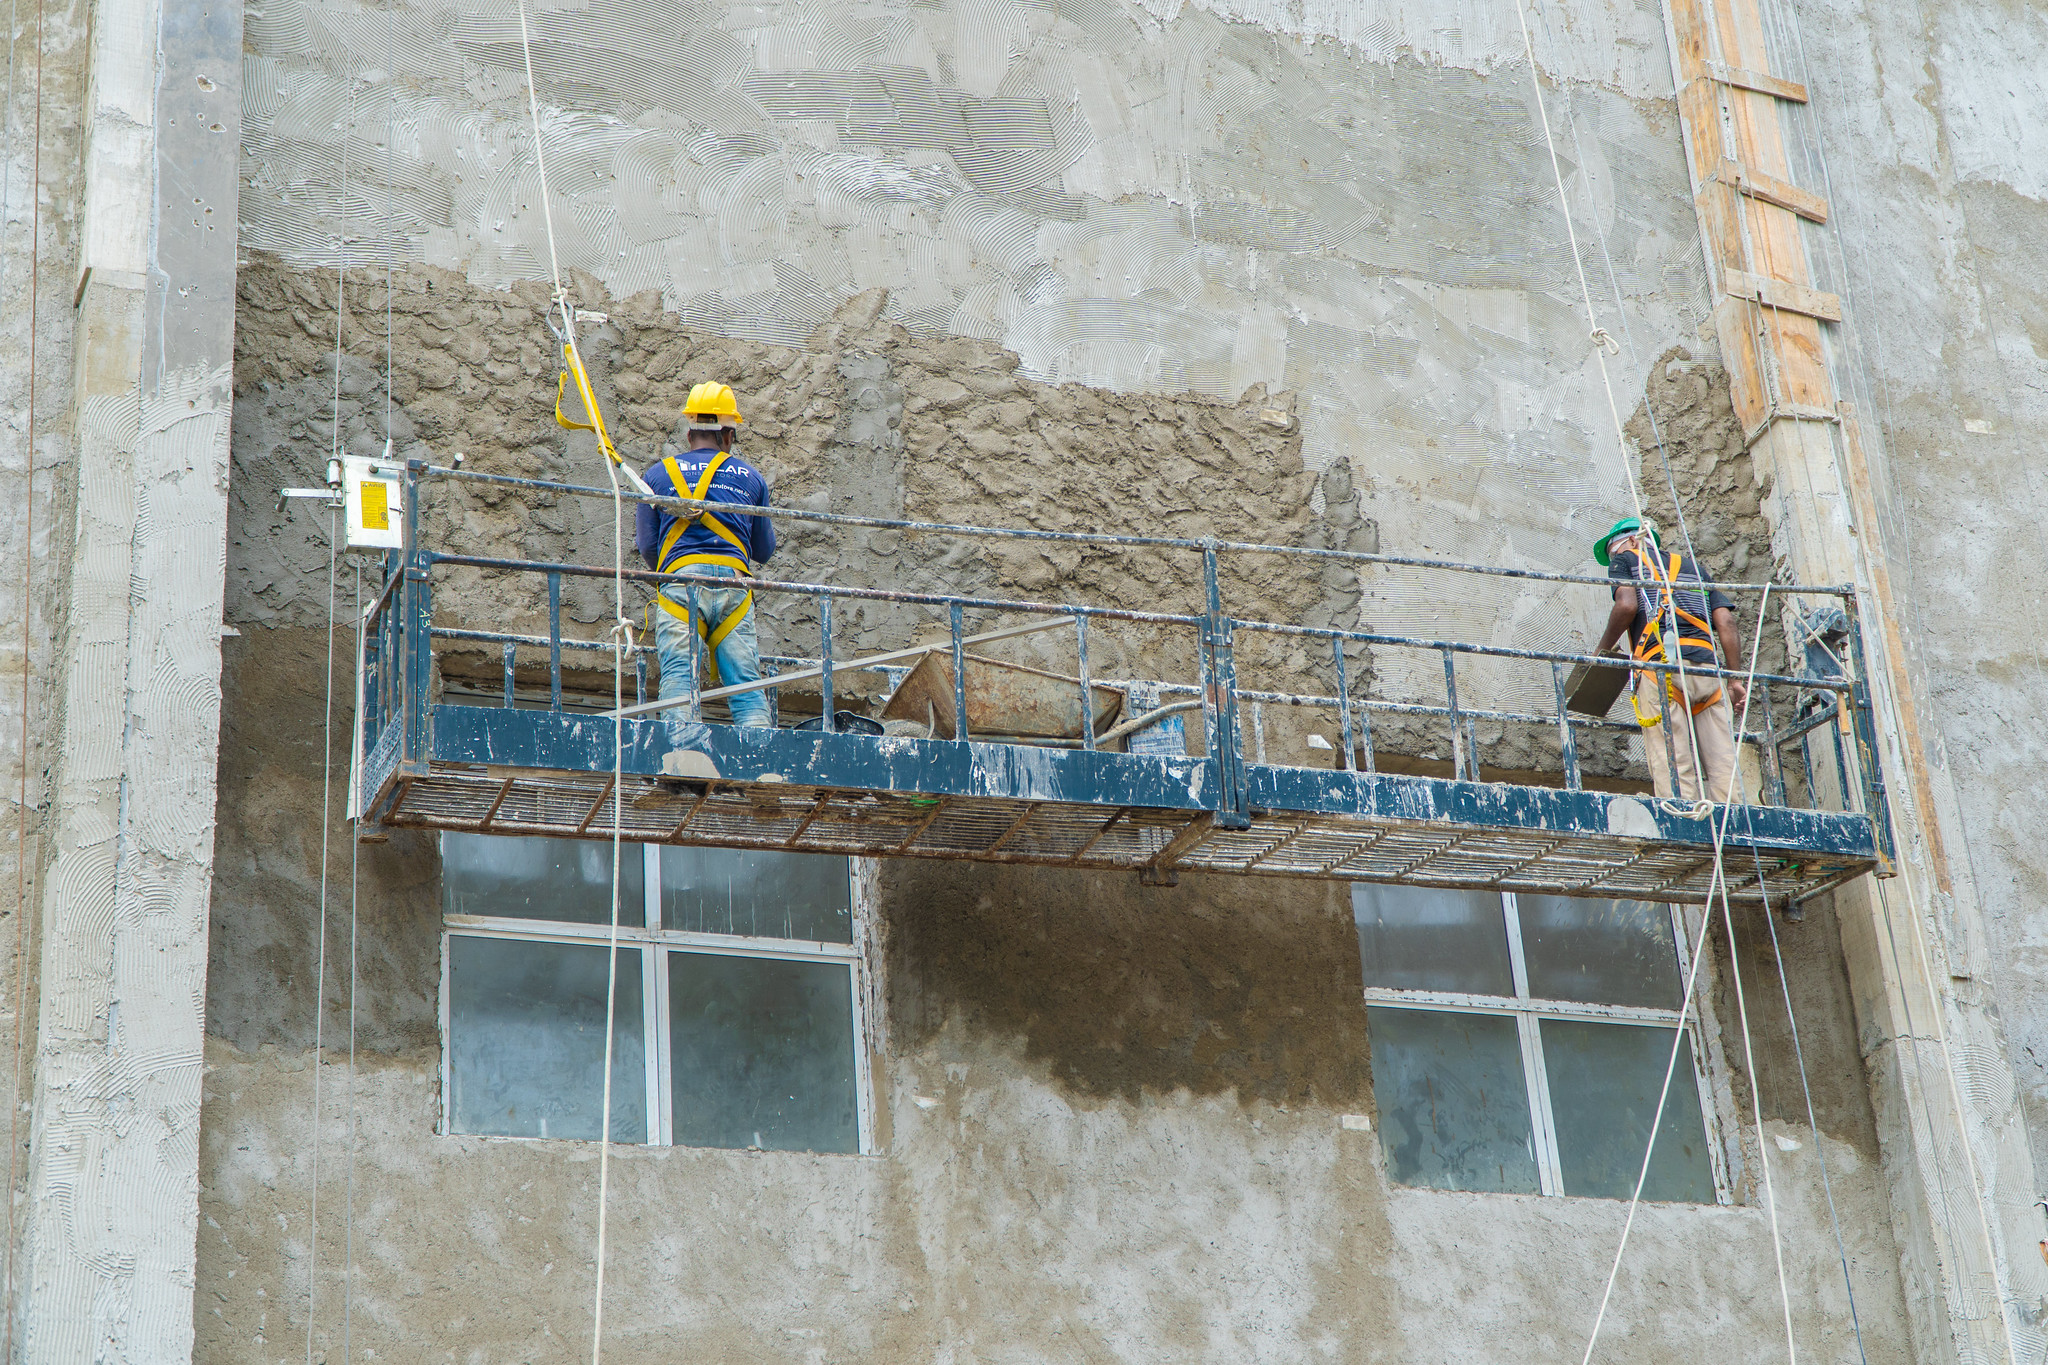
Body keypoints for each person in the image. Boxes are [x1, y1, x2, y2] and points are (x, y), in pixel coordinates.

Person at [636, 382, 776, 775]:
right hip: (734, 588)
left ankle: (683, 763)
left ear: (689, 431)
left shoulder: (656, 475)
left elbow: (647, 546)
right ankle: (761, 766)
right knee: (745, 685)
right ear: (729, 434)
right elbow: (763, 551)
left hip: (681, 585)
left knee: (680, 677)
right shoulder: (751, 478)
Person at [1591, 515, 1747, 804]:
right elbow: (1726, 621)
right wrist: (1735, 679)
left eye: (1616, 550)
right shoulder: (1694, 568)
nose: (1616, 557)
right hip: (1707, 673)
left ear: (1634, 540)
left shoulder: (1625, 560)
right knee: (1723, 758)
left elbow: (1627, 605)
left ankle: (1683, 820)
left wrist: (1601, 653)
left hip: (1660, 669)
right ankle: (1733, 819)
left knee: (1672, 760)